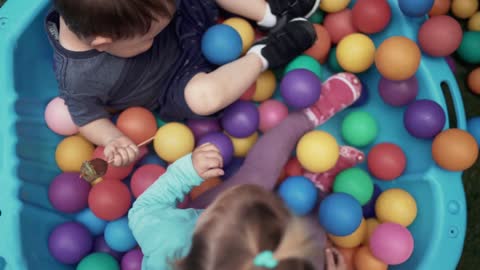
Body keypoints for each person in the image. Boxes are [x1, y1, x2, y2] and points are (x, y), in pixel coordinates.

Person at [128, 73, 363, 270]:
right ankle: (318, 187)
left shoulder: (166, 234)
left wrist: (187, 171)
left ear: (204, 226)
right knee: (313, 244)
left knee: (255, 178)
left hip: (195, 216)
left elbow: (144, 208)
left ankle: (304, 117)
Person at [45, 0, 320, 167]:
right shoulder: (79, 77)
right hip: (174, 80)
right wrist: (113, 138)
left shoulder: (135, 16)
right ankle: (264, 55)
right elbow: (86, 117)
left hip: (187, 15)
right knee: (205, 97)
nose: (152, 38)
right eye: (148, 38)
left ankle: (270, 14)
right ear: (104, 44)